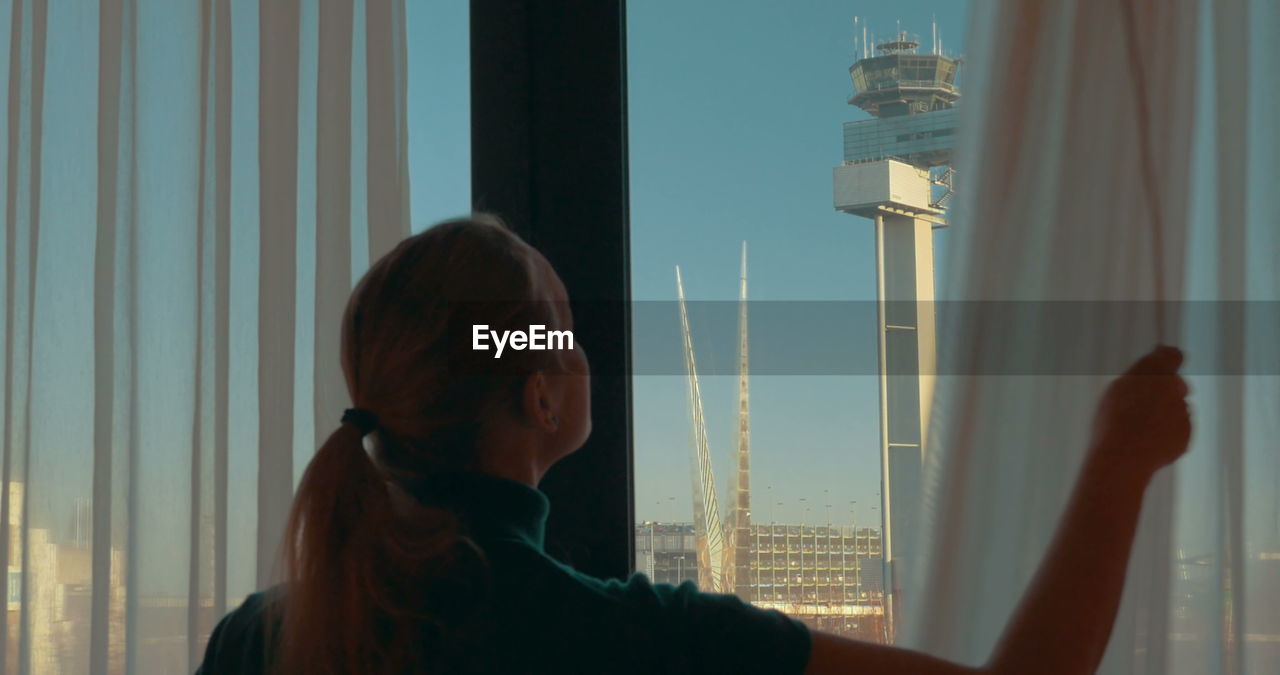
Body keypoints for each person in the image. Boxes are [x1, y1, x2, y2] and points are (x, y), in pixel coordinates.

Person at [196, 216, 1192, 675]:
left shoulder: (253, 637)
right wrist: (1117, 459)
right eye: (565, 330)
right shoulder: (627, 639)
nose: (584, 351)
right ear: (538, 394)